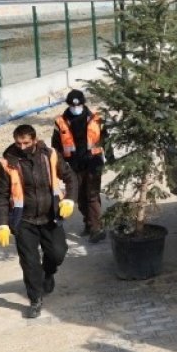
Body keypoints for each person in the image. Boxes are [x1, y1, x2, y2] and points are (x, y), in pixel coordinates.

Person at [0, 124, 77, 319]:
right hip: (24, 221)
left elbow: (70, 177)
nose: (22, 147)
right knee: (30, 263)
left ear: (34, 139)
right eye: (18, 143)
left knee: (58, 253)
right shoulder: (9, 162)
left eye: (26, 143)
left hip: (50, 217)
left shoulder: (50, 155)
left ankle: (48, 273)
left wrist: (70, 199)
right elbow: (2, 195)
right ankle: (35, 299)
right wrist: (2, 223)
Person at [51, 89, 107, 243]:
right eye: (72, 105)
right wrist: (59, 165)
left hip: (93, 161)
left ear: (83, 103)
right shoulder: (60, 122)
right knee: (80, 197)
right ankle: (89, 223)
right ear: (68, 105)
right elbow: (56, 146)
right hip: (74, 165)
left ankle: (96, 228)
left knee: (92, 195)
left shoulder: (96, 118)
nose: (76, 108)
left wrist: (110, 156)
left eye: (78, 105)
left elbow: (105, 138)